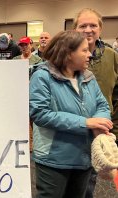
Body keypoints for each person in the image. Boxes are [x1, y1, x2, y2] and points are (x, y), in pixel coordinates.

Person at [30, 30, 112, 198]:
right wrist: (86, 123)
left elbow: (102, 105)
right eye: (84, 50)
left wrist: (101, 122)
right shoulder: (42, 77)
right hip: (54, 159)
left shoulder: (88, 77)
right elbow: (40, 113)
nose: (90, 54)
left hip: (83, 156)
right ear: (67, 53)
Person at [73, 8, 118, 197]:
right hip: (74, 131)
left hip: (104, 131)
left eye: (93, 25)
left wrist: (114, 129)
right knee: (79, 184)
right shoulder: (65, 56)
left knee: (97, 180)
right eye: (83, 25)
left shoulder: (111, 56)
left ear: (100, 29)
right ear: (75, 29)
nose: (88, 30)